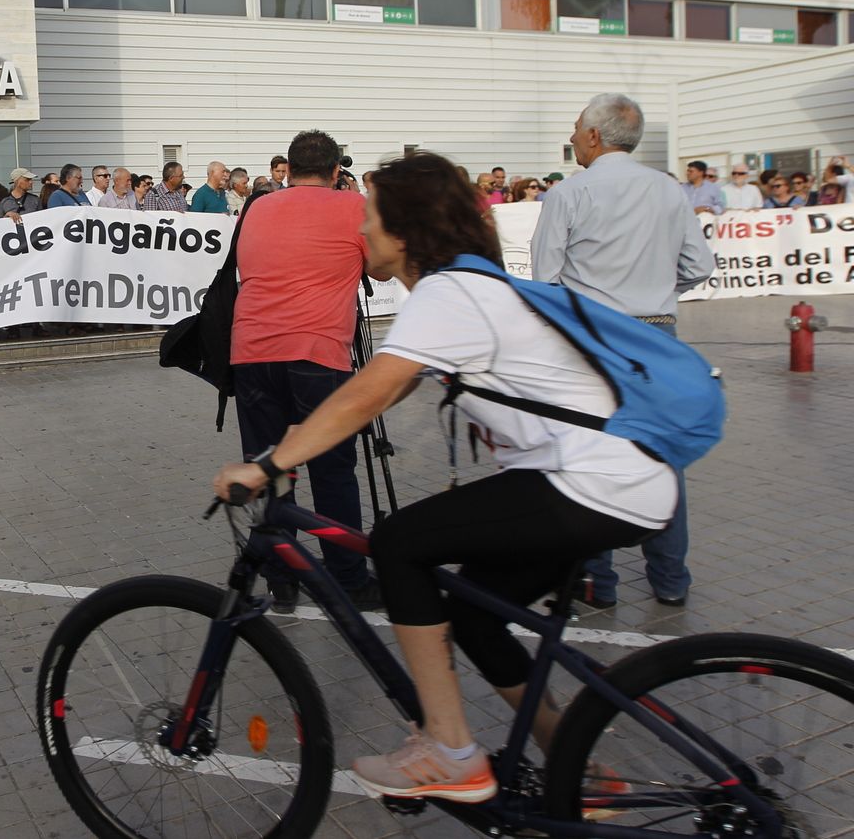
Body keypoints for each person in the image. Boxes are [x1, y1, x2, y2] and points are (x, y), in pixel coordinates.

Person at [215, 151, 672, 803]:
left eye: (370, 218)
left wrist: (267, 462)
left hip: (590, 482)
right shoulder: (465, 286)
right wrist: (301, 438)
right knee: (477, 621)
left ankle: (452, 749)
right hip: (617, 481)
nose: (361, 232)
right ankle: (577, 764)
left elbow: (368, 392)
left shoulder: (449, 291)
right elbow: (392, 387)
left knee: (400, 541)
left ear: (403, 231)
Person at [531, 93, 714, 609]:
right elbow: (700, 266)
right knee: (662, 456)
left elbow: (545, 279)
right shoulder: (668, 189)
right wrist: (656, 287)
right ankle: (671, 579)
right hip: (657, 334)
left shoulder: (569, 193)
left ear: (593, 135)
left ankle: (597, 582)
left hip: (593, 337)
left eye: (574, 130)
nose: (570, 139)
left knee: (589, 458)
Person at [231, 130, 377, 613]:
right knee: (333, 469)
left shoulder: (258, 207)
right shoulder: (352, 207)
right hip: (317, 351)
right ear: (337, 171)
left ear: (287, 170)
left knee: (272, 468)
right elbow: (380, 270)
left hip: (252, 350)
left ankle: (280, 578)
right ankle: (349, 578)